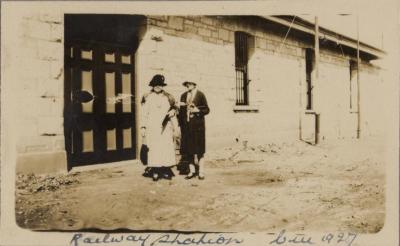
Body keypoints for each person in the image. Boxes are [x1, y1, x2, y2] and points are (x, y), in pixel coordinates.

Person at [140, 74, 179, 181]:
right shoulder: (147, 96)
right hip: (152, 127)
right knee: (154, 149)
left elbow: (175, 108)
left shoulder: (169, 97)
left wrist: (173, 111)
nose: (158, 86)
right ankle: (155, 170)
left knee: (166, 148)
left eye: (160, 84)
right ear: (152, 85)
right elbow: (144, 113)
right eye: (156, 84)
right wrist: (143, 127)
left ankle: (166, 170)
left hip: (166, 127)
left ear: (163, 86)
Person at [178, 81, 210, 180]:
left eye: (190, 84)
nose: (188, 86)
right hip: (187, 127)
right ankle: (191, 171)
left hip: (198, 128)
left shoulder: (200, 95)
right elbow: (181, 112)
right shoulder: (183, 95)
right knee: (189, 151)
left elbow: (207, 110)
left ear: (194, 84)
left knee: (200, 150)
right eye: (186, 84)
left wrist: (198, 111)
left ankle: (201, 172)